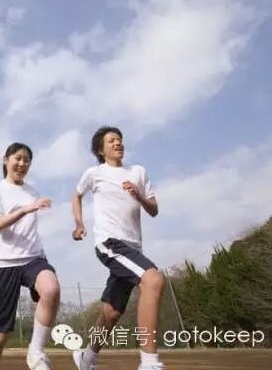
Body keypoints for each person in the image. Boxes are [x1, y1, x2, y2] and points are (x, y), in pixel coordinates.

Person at [72, 126, 164, 370]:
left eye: (120, 139)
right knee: (153, 280)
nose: (118, 143)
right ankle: (150, 363)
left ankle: (87, 357)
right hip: (110, 243)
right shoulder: (94, 173)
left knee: (112, 312)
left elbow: (154, 209)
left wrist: (139, 196)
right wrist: (79, 224)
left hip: (134, 248)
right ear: (101, 150)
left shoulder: (138, 171)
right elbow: (76, 196)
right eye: (111, 140)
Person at [0, 142, 61, 370]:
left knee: (51, 289)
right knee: (0, 334)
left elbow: (30, 229)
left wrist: (44, 259)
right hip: (4, 262)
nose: (22, 163)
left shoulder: (32, 192)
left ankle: (35, 352)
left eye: (27, 160)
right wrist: (26, 209)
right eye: (17, 158)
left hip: (33, 258)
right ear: (5, 160)